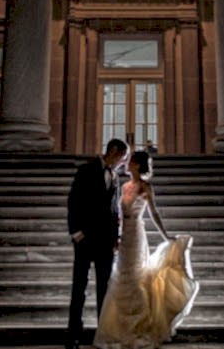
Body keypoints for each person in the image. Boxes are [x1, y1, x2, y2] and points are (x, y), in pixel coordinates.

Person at [93, 150, 199, 349]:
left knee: (136, 277)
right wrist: (116, 235)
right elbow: (118, 214)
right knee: (122, 277)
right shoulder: (124, 186)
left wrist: (166, 236)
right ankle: (120, 328)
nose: (126, 163)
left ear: (137, 165)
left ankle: (140, 325)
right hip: (124, 236)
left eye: (130, 161)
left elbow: (154, 213)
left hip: (137, 235)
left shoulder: (145, 187)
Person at [66, 138, 131, 349]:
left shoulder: (115, 176)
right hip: (85, 239)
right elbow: (74, 200)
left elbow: (115, 211)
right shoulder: (86, 170)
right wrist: (76, 232)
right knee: (79, 289)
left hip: (105, 242)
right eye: (122, 157)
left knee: (105, 290)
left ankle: (102, 333)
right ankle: (73, 335)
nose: (123, 162)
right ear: (113, 151)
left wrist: (116, 238)